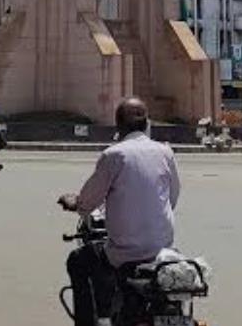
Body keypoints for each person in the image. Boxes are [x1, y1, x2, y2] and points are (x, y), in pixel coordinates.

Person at [58, 97, 180, 326]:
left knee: (78, 261)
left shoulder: (114, 155)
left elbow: (88, 202)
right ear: (147, 124)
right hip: (163, 250)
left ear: (119, 126)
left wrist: (74, 202)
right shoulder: (165, 152)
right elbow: (172, 197)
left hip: (125, 253)